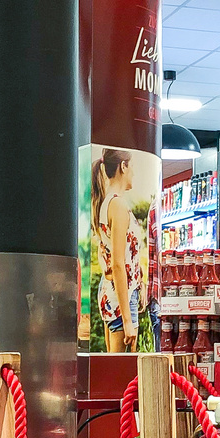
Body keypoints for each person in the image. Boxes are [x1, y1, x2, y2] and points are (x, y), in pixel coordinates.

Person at [91, 147, 147, 352]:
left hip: (114, 294)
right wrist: (127, 320)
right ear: (123, 166)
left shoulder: (107, 203)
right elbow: (117, 263)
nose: (134, 173)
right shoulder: (118, 206)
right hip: (121, 298)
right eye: (132, 167)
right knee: (122, 373)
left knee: (115, 369)